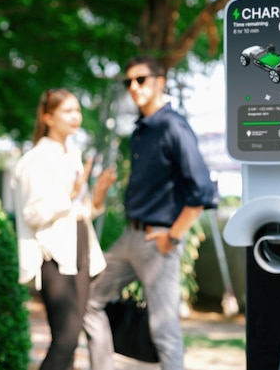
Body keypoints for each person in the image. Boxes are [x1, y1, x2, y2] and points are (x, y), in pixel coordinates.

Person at [83, 56, 216, 370]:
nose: (133, 87)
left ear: (160, 82)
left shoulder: (173, 126)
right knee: (89, 300)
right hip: (130, 236)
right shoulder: (141, 130)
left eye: (141, 79)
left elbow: (202, 191)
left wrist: (173, 235)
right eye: (128, 81)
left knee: (163, 328)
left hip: (158, 240)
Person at [13, 88, 117, 370]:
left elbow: (82, 211)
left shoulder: (72, 154)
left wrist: (97, 195)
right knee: (66, 340)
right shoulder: (36, 159)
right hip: (54, 253)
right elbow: (32, 213)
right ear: (48, 117)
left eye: (78, 110)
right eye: (67, 111)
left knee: (70, 344)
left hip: (79, 246)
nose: (76, 116)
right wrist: (70, 195)